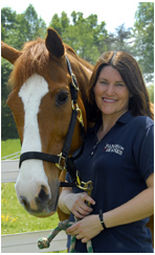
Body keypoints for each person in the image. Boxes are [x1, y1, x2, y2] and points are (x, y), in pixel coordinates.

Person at [58, 51, 154, 252]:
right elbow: (66, 186)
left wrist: (101, 222)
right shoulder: (86, 133)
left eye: (120, 85)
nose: (109, 91)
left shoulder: (143, 129)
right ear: (93, 87)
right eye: (103, 82)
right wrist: (68, 200)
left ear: (132, 90)